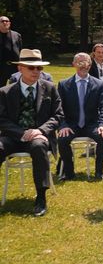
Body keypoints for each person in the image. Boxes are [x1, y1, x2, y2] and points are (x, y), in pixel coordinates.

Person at [0, 49, 63, 216]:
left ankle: (41, 197)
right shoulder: (5, 92)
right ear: (20, 68)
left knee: (38, 146)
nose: (36, 71)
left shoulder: (49, 88)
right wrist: (21, 133)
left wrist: (40, 130)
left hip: (38, 136)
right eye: (31, 67)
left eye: (39, 68)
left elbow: (58, 115)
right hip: (13, 136)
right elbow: (2, 119)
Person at [57, 53, 103, 180]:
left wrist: (102, 125)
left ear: (90, 65)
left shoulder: (99, 84)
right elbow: (58, 108)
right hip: (71, 124)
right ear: (73, 64)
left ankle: (99, 171)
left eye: (86, 62)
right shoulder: (63, 85)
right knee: (62, 139)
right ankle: (68, 172)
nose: (83, 65)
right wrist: (63, 125)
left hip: (91, 124)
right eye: (79, 62)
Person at [0, 15, 22, 86]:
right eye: (2, 21)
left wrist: (20, 64)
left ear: (9, 23)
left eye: (7, 21)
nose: (5, 22)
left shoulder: (16, 35)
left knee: (15, 87)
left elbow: (20, 50)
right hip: (1, 66)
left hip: (14, 66)